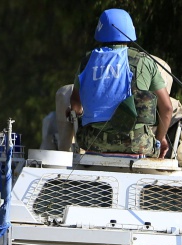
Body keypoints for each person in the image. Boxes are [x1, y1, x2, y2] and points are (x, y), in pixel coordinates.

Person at [69, 8, 172, 158]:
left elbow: (76, 106)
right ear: (130, 31)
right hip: (137, 145)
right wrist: (159, 139)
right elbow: (167, 108)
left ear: (100, 30)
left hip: (93, 142)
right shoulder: (144, 61)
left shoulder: (87, 61)